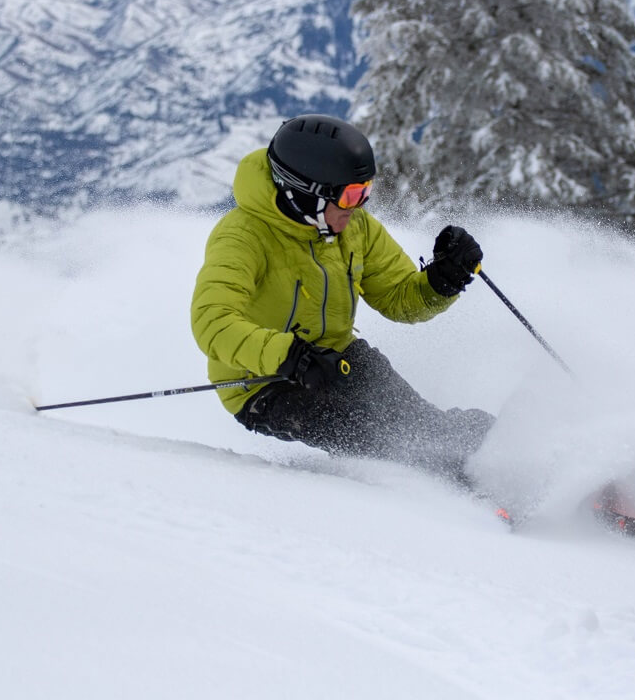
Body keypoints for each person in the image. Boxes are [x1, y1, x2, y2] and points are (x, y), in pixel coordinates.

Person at [190, 114, 494, 483]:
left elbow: (400, 299)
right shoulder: (243, 237)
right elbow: (212, 322)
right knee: (388, 443)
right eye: (350, 195)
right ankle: (471, 501)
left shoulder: (356, 228)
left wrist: (442, 281)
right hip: (265, 382)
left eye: (365, 192)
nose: (360, 206)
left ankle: (506, 458)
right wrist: (288, 355)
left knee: (425, 426)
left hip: (336, 358)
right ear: (305, 194)